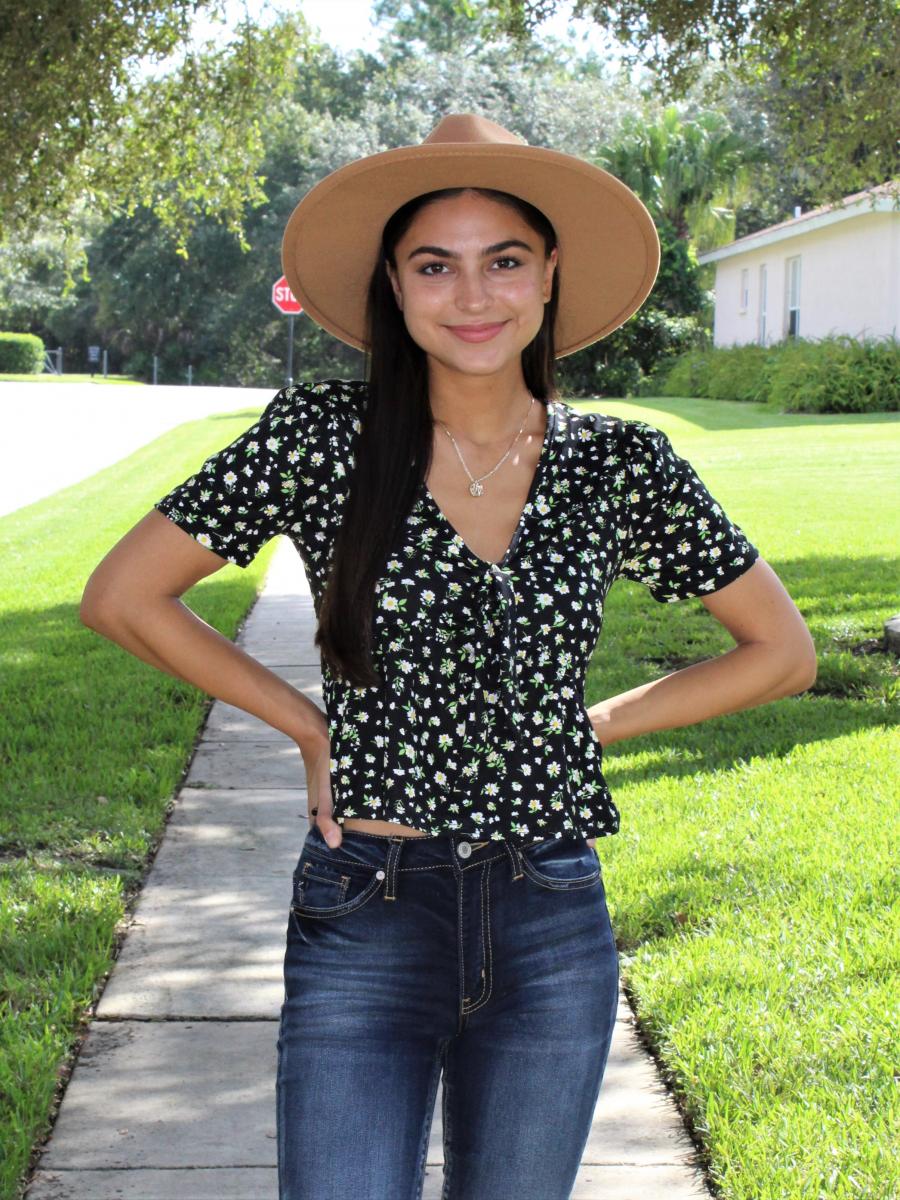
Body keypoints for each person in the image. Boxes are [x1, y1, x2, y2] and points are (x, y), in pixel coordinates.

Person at [80, 113, 817, 1200]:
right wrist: (307, 726)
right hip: (365, 903)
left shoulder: (620, 462)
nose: (473, 296)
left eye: (504, 261)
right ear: (394, 279)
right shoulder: (321, 438)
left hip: (550, 912)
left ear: (550, 271)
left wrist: (593, 724)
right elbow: (123, 596)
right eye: (437, 265)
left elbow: (781, 653)